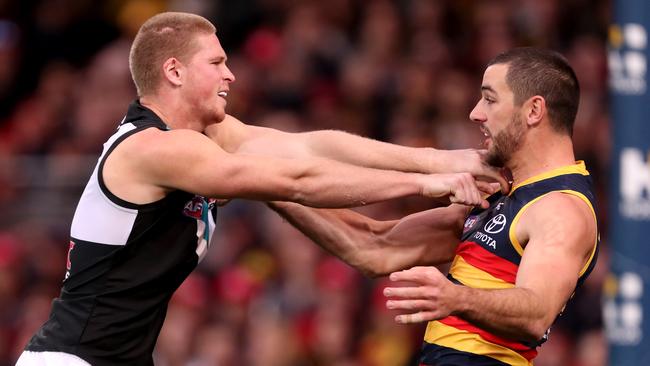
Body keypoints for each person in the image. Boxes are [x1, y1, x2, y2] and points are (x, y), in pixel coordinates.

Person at [16, 12, 505, 366]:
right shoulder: (152, 148)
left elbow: (308, 149)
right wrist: (425, 182)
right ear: (174, 71)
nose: (231, 73)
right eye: (217, 61)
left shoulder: (206, 136)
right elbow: (297, 179)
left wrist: (439, 158)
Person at [269, 47, 599, 366]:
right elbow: (373, 247)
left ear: (533, 111)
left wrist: (456, 297)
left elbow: (537, 313)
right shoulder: (503, 196)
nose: (476, 113)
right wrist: (264, 184)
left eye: (489, 98)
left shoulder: (561, 208)